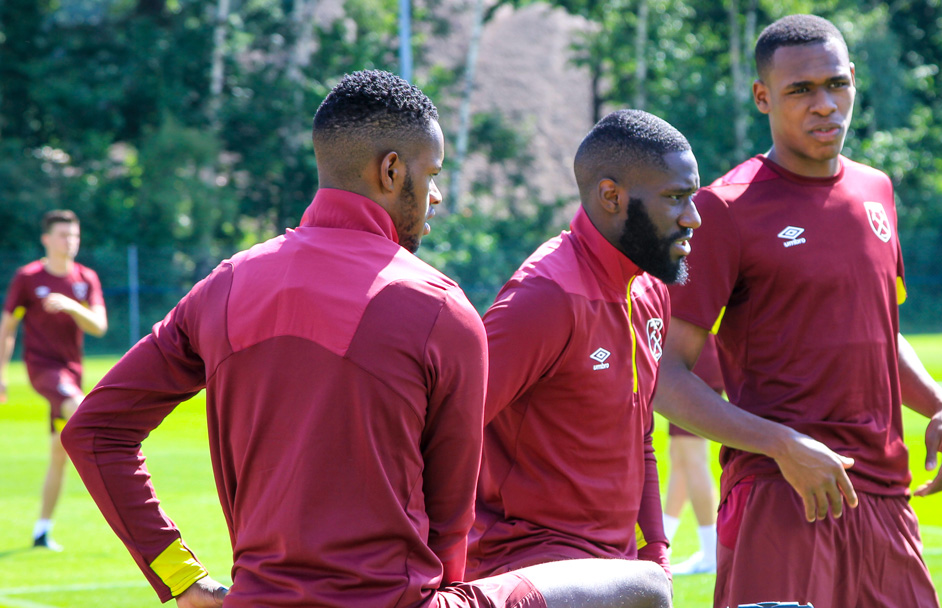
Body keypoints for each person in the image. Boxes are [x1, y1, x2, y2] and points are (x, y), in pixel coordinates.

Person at [62, 70, 671, 608]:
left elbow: (94, 431)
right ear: (390, 170)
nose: (436, 196)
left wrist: (184, 580)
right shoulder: (438, 306)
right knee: (644, 586)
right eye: (431, 175)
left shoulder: (225, 284)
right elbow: (448, 530)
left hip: (255, 599)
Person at [654, 15, 942, 608]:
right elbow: (665, 379)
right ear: (763, 96)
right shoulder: (725, 208)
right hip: (781, 494)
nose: (824, 105)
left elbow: (876, 329)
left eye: (835, 85)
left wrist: (938, 403)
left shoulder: (877, 189)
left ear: (853, 81)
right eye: (801, 90)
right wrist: (781, 445)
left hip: (883, 500)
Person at [466, 109, 701, 582]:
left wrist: (655, 557)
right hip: (531, 572)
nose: (692, 218)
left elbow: (639, 438)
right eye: (676, 198)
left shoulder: (650, 291)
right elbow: (448, 432)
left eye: (692, 197)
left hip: (613, 577)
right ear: (611, 196)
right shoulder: (545, 296)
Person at [0, 209, 108, 551]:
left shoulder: (85, 278)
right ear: (46, 239)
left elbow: (99, 327)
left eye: (74, 235)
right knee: (80, 410)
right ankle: (114, 473)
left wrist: (72, 306)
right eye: (63, 235)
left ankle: (42, 530)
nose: (70, 242)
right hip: (42, 370)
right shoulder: (28, 277)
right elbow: (8, 328)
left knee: (59, 452)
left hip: (73, 372)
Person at [662, 339, 721, 576]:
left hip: (693, 362)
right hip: (692, 360)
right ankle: (662, 544)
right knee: (680, 457)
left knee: (692, 456)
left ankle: (712, 553)